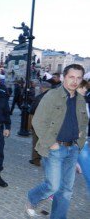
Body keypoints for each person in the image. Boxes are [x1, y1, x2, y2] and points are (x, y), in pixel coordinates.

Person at [26, 64, 88, 218]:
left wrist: (79, 141)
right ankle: (32, 197)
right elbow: (38, 121)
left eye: (78, 78)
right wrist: (51, 143)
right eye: (71, 77)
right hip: (55, 148)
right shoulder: (52, 95)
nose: (75, 81)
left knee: (66, 190)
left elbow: (83, 122)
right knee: (53, 186)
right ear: (63, 78)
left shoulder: (81, 99)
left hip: (72, 149)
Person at [28, 82, 52, 166]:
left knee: (36, 141)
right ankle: (49, 160)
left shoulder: (40, 97)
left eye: (41, 87)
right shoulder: (55, 97)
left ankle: (36, 159)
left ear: (43, 87)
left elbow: (32, 110)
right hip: (51, 123)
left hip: (40, 122)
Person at [76, 80, 90, 194]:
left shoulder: (85, 102)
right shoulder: (68, 101)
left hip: (83, 143)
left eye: (86, 88)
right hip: (69, 143)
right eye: (83, 87)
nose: (85, 90)